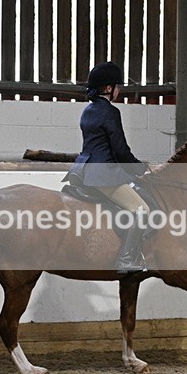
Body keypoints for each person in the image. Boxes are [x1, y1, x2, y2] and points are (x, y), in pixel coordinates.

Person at [67, 61, 150, 274]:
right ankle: (126, 259)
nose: (119, 90)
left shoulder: (88, 110)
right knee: (142, 210)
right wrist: (140, 168)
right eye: (117, 86)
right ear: (108, 89)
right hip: (103, 174)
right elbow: (120, 151)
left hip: (83, 170)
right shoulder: (111, 112)